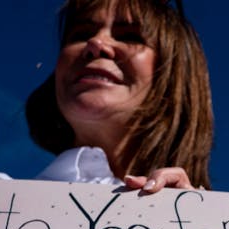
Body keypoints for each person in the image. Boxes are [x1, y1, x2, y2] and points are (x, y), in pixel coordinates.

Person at [25, 0, 213, 192]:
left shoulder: (217, 216)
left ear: (171, 76)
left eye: (130, 37)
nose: (96, 44)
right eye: (80, 34)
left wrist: (190, 216)